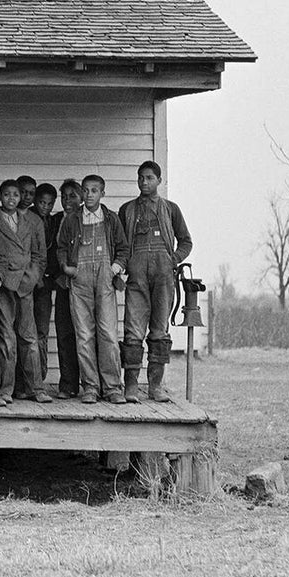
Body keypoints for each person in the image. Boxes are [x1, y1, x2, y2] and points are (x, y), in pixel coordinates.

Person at [118, 160, 193, 402]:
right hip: (136, 277)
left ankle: (155, 387)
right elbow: (119, 246)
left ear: (159, 181)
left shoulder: (171, 209)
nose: (144, 182)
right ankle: (130, 387)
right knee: (133, 331)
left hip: (163, 277)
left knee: (160, 331)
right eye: (141, 177)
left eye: (150, 178)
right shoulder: (127, 210)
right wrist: (121, 269)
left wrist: (174, 259)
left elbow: (186, 242)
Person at [57, 174, 129, 403]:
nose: (89, 195)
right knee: (84, 335)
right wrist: (68, 269)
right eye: (86, 190)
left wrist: (114, 268)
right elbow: (60, 248)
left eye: (94, 191)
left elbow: (123, 249)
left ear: (102, 193)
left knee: (107, 333)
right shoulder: (72, 220)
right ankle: (90, 387)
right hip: (80, 282)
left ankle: (112, 388)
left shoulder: (111, 219)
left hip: (104, 280)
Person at [0, 178, 50, 403]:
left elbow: (39, 256)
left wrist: (29, 280)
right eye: (7, 195)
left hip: (25, 286)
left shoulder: (32, 221)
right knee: (6, 339)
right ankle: (6, 389)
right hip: (3, 286)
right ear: (0, 196)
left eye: (16, 195)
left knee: (29, 338)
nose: (12, 199)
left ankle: (36, 387)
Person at [21, 181, 59, 395]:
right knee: (25, 332)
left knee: (41, 333)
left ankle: (39, 379)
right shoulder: (27, 219)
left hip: (44, 285)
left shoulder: (53, 222)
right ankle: (23, 382)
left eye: (49, 203)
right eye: (41, 202)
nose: (45, 206)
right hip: (26, 282)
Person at [48, 178, 84, 398]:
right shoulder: (56, 221)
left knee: (88, 334)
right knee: (65, 334)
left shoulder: (87, 219)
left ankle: (93, 383)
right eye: (64, 196)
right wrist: (57, 275)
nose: (67, 200)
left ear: (81, 198)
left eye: (73, 196)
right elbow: (49, 250)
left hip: (87, 284)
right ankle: (68, 384)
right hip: (63, 284)